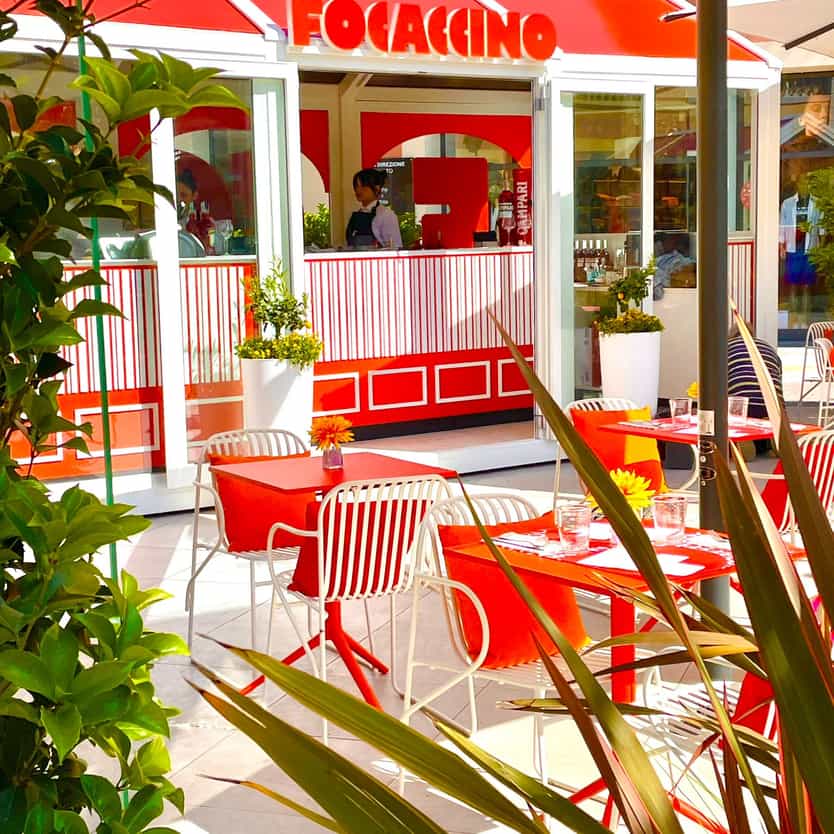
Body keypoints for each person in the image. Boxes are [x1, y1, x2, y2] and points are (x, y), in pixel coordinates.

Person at [728, 321, 783, 456]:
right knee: (769, 405)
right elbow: (778, 378)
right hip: (772, 404)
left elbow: (717, 383)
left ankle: (741, 435)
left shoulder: (726, 347)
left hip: (744, 405)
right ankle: (773, 431)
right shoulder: (768, 347)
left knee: (732, 401)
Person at [779, 173, 822, 320]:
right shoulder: (787, 203)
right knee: (793, 285)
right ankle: (793, 318)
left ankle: (805, 317)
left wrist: (820, 249)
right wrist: (781, 247)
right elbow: (782, 227)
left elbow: (822, 228)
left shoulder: (817, 203)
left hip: (810, 248)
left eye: (807, 183)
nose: (804, 186)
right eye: (802, 183)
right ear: (797, 185)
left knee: (807, 286)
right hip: (793, 248)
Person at [345, 168, 402, 249]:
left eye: (363, 186)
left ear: (377, 188)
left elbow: (395, 248)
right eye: (356, 186)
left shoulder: (386, 215)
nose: (358, 190)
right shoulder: (355, 216)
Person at [177, 169, 215, 254]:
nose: (179, 199)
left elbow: (210, 245)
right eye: (176, 195)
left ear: (194, 195)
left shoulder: (203, 222)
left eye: (184, 195)